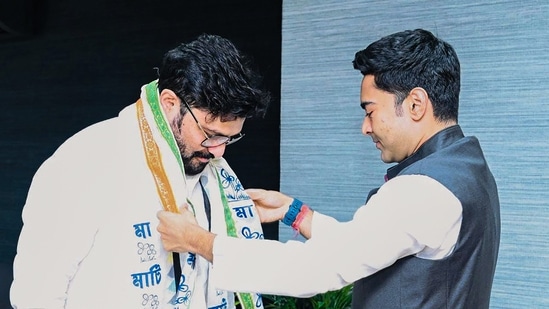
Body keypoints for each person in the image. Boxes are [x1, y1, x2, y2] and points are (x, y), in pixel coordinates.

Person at [156, 29, 501, 308]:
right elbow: (365, 246)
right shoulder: (467, 169)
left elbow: (315, 268)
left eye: (370, 111)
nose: (365, 127)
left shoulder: (424, 189)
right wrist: (296, 213)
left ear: (415, 104)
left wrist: (196, 240)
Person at [11, 34, 271, 309]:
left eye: (229, 138)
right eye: (209, 134)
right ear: (170, 103)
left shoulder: (213, 173)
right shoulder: (86, 159)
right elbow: (36, 295)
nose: (219, 152)